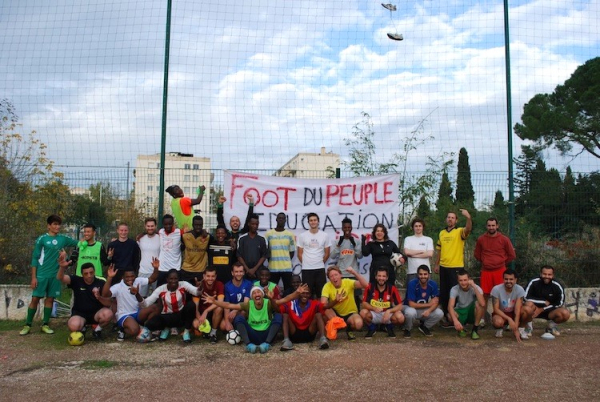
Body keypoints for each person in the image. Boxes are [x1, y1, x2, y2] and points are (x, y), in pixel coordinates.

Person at [203, 283, 309, 354]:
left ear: (262, 295)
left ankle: (267, 345)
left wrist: (297, 292)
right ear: (252, 297)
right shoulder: (248, 304)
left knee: (278, 316)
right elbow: (229, 305)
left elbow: (286, 299)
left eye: (258, 292)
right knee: (239, 318)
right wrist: (215, 302)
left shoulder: (268, 303)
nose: (256, 294)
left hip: (267, 335)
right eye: (254, 293)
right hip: (253, 335)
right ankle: (249, 345)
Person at [20, 215, 79, 336]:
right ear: (49, 226)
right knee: (35, 298)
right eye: (54, 224)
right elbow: (35, 258)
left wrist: (68, 256)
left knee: (50, 299)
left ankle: (45, 324)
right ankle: (27, 324)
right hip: (41, 275)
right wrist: (33, 277)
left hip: (55, 275)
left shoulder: (63, 239)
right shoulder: (42, 239)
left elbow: (79, 243)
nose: (57, 227)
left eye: (58, 224)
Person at [57, 255, 113, 340]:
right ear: (82, 274)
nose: (89, 275)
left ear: (94, 272)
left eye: (91, 273)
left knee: (108, 313)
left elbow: (109, 301)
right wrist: (62, 267)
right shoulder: (76, 280)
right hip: (80, 313)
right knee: (73, 326)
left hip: (96, 314)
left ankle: (97, 330)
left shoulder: (101, 282)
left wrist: (99, 297)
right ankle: (82, 328)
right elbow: (60, 278)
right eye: (86, 273)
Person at [101, 261, 160, 342]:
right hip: (124, 315)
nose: (130, 279)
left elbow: (152, 279)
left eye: (132, 276)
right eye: (127, 277)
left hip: (137, 312)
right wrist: (110, 278)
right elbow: (105, 294)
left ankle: (147, 329)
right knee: (134, 330)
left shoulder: (137, 281)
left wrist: (156, 268)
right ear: (123, 277)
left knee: (155, 307)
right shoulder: (118, 287)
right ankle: (122, 330)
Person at [140, 269, 201, 343]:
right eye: (171, 279)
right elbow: (146, 303)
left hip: (181, 316)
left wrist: (200, 287)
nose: (173, 281)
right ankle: (166, 329)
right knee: (152, 323)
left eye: (176, 279)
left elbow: (196, 292)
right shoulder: (161, 289)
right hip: (167, 317)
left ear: (178, 279)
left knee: (191, 305)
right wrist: (137, 294)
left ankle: (186, 332)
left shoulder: (183, 284)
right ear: (167, 279)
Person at [474, 217, 516, 324]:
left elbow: (511, 255)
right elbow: (477, 255)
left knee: (502, 295)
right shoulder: (481, 239)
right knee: (485, 295)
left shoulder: (504, 239)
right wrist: (486, 262)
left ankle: (501, 319)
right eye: (489, 225)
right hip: (486, 271)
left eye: (493, 225)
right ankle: (482, 319)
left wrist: (500, 263)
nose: (491, 227)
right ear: (486, 226)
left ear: (497, 226)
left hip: (500, 272)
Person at [433, 209, 472, 324]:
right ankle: (446, 316)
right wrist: (436, 264)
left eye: (452, 217)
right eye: (448, 217)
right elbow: (439, 250)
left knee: (454, 292)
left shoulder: (459, 231)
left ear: (456, 220)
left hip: (456, 267)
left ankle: (455, 316)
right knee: (444, 293)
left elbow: (468, 229)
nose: (450, 219)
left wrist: (468, 218)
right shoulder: (442, 233)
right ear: (446, 219)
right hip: (443, 267)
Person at [321, 265, 369, 340]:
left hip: (350, 313)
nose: (334, 278)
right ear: (329, 279)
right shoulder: (327, 286)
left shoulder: (347, 282)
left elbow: (366, 285)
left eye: (336, 275)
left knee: (359, 324)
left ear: (341, 275)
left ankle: (347, 328)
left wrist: (354, 272)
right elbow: (323, 305)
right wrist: (335, 301)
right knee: (325, 310)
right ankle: (335, 327)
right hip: (335, 314)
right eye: (331, 276)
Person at [523, 265, 570, 339]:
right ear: (540, 274)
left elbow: (560, 303)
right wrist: (543, 301)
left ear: (553, 275)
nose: (547, 276)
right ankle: (528, 328)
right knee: (528, 305)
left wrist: (542, 309)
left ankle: (551, 327)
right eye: (544, 274)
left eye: (549, 274)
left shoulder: (557, 285)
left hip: (549, 311)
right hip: (533, 310)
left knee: (565, 313)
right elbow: (525, 297)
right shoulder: (533, 282)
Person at [280, 285, 329, 351]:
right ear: (298, 293)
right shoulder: (292, 303)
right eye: (303, 293)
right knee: (285, 315)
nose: (305, 295)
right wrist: (271, 299)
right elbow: (278, 309)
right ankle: (286, 341)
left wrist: (336, 301)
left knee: (318, 314)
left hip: (309, 333)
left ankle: (323, 339)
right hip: (294, 334)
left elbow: (326, 306)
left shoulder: (313, 303)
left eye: (307, 293)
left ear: (310, 295)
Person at [360, 267, 405, 338]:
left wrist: (389, 311)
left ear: (387, 278)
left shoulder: (392, 288)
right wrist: (373, 308)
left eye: (384, 276)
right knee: (363, 312)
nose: (381, 278)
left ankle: (389, 327)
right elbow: (364, 303)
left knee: (400, 318)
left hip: (387, 314)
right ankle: (372, 328)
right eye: (379, 276)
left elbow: (400, 305)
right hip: (374, 313)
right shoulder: (370, 287)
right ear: (375, 277)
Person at [403, 265, 444, 337]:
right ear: (417, 275)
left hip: (423, 309)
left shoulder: (433, 284)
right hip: (410, 308)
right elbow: (411, 304)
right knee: (410, 312)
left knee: (439, 313)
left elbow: (436, 301)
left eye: (425, 274)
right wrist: (429, 305)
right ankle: (407, 329)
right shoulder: (412, 284)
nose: (423, 276)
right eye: (421, 274)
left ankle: (424, 327)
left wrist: (429, 310)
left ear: (429, 275)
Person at [297, 212, 330, 299]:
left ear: (318, 221)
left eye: (315, 220)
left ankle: (321, 312)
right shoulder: (302, 236)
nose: (313, 222)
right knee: (307, 294)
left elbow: (327, 253)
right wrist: (306, 263)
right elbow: (299, 253)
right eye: (311, 220)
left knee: (322, 294)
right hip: (306, 269)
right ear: (308, 222)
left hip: (320, 269)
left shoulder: (325, 235)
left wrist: (320, 262)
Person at [491, 269, 529, 342]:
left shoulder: (520, 289)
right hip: (501, 313)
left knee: (528, 310)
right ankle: (500, 328)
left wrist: (516, 328)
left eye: (511, 279)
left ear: (515, 280)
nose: (508, 281)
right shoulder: (496, 289)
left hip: (513, 312)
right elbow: (496, 309)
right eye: (506, 279)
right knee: (497, 322)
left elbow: (517, 309)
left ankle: (521, 329)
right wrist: (509, 319)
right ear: (503, 279)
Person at [448, 269, 485, 340]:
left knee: (478, 304)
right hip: (461, 310)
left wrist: (473, 286)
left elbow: (483, 303)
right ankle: (460, 329)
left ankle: (475, 330)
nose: (463, 283)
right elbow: (450, 306)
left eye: (465, 280)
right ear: (457, 281)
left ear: (469, 279)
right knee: (450, 316)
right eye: (460, 280)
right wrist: (455, 320)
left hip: (471, 310)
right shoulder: (454, 289)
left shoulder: (476, 287)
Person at [265, 212, 296, 291]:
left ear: (285, 220)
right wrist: (271, 261)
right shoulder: (268, 234)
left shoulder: (290, 235)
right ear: (276, 219)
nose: (281, 220)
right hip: (273, 268)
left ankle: (287, 304)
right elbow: (266, 251)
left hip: (287, 268)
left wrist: (285, 260)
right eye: (279, 218)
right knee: (272, 290)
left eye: (283, 218)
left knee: (288, 290)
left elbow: (292, 252)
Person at [194, 266, 224, 343]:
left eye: (213, 276)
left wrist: (206, 311)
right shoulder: (200, 285)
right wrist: (198, 316)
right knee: (196, 324)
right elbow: (195, 303)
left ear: (216, 276)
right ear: (204, 276)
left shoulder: (219, 284)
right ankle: (206, 330)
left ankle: (213, 333)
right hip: (201, 312)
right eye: (208, 276)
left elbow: (220, 302)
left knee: (219, 308)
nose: (210, 278)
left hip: (212, 311)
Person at [222, 262, 254, 332]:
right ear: (232, 273)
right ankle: (233, 328)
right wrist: (227, 322)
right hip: (231, 311)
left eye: (240, 271)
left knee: (243, 312)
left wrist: (236, 310)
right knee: (223, 326)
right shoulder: (227, 286)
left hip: (242, 310)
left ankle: (240, 329)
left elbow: (246, 303)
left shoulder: (248, 284)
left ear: (243, 272)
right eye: (236, 272)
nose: (238, 274)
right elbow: (226, 305)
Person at [403, 218, 434, 285]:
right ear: (413, 228)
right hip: (412, 271)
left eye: (420, 226)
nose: (418, 228)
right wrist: (421, 251)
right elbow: (407, 252)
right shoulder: (408, 239)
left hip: (425, 272)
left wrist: (412, 254)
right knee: (412, 293)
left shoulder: (428, 239)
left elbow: (430, 254)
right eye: (416, 226)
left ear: (423, 227)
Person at [181, 215, 210, 285]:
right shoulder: (185, 236)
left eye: (200, 225)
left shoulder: (208, 237)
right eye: (196, 225)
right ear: (193, 225)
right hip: (186, 270)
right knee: (186, 293)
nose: (198, 227)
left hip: (200, 271)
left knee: (198, 293)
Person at [237, 214, 268, 280]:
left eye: (256, 224)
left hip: (258, 272)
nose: (255, 226)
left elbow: (264, 256)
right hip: (245, 272)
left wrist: (254, 269)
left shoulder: (262, 239)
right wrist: (247, 269)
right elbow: (239, 256)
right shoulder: (242, 238)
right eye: (252, 224)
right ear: (248, 224)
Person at [157, 214, 183, 286]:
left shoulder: (179, 232)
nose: (168, 226)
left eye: (170, 224)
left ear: (173, 223)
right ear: (163, 224)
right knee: (160, 292)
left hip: (175, 268)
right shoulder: (160, 232)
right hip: (162, 268)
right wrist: (142, 234)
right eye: (166, 224)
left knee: (176, 292)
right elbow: (150, 232)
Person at [137, 217, 161, 297]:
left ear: (155, 226)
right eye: (148, 226)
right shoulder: (140, 238)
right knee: (142, 297)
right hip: (143, 272)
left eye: (152, 226)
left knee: (157, 297)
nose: (150, 228)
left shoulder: (160, 238)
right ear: (145, 226)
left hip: (156, 271)